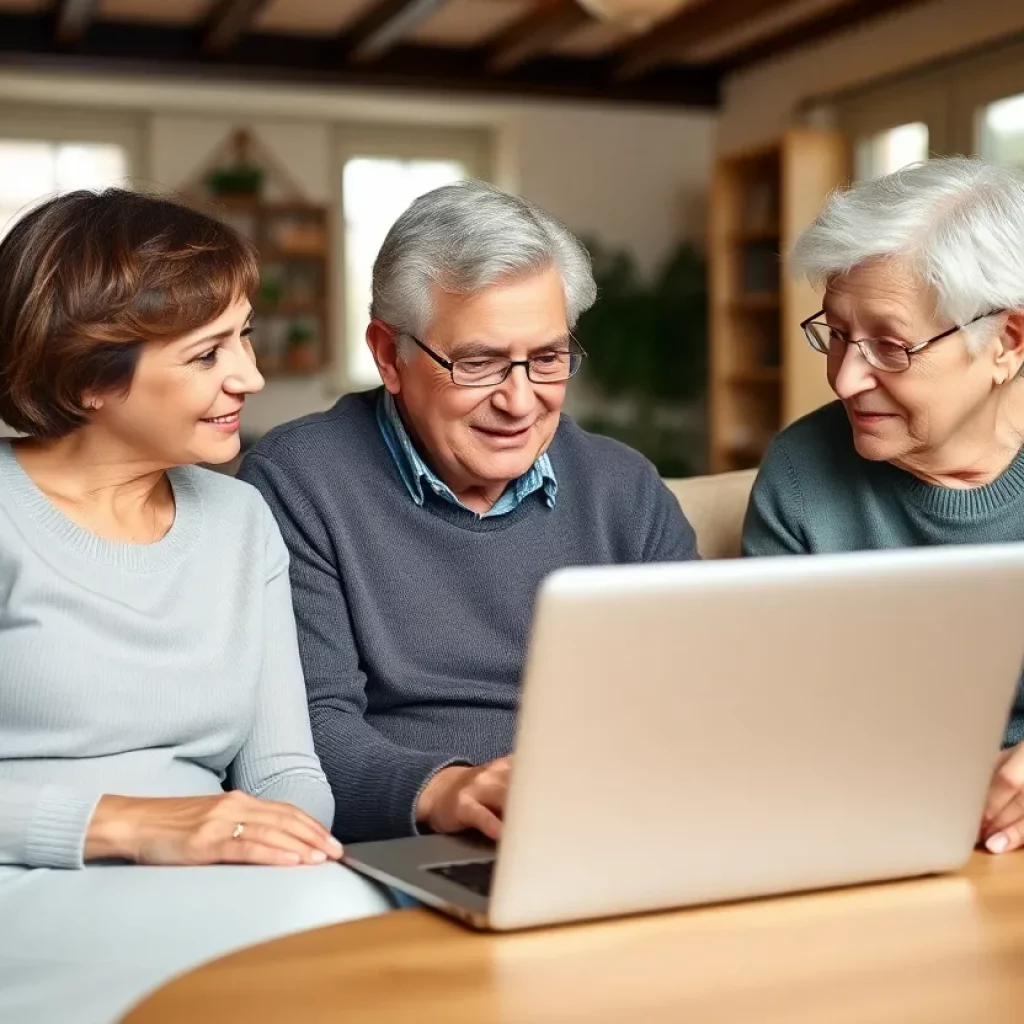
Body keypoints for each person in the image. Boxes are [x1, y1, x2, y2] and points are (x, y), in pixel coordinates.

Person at [0, 190, 388, 1024]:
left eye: (243, 335)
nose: (250, 375)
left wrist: (273, 839)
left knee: (364, 925)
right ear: (89, 376)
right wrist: (132, 825)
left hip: (195, 875)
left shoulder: (239, 520)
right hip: (26, 882)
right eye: (208, 353)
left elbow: (284, 768)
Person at [240, 181, 699, 844]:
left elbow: (697, 695)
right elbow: (303, 728)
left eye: (547, 359)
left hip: (615, 822)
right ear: (388, 355)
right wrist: (443, 790)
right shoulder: (298, 481)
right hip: (420, 837)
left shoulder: (623, 486)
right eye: (479, 363)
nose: (519, 401)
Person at [741, 157, 1024, 856]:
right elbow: (772, 719)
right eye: (834, 333)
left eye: (890, 347)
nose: (844, 377)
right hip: (871, 832)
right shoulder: (802, 474)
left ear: (1007, 342)